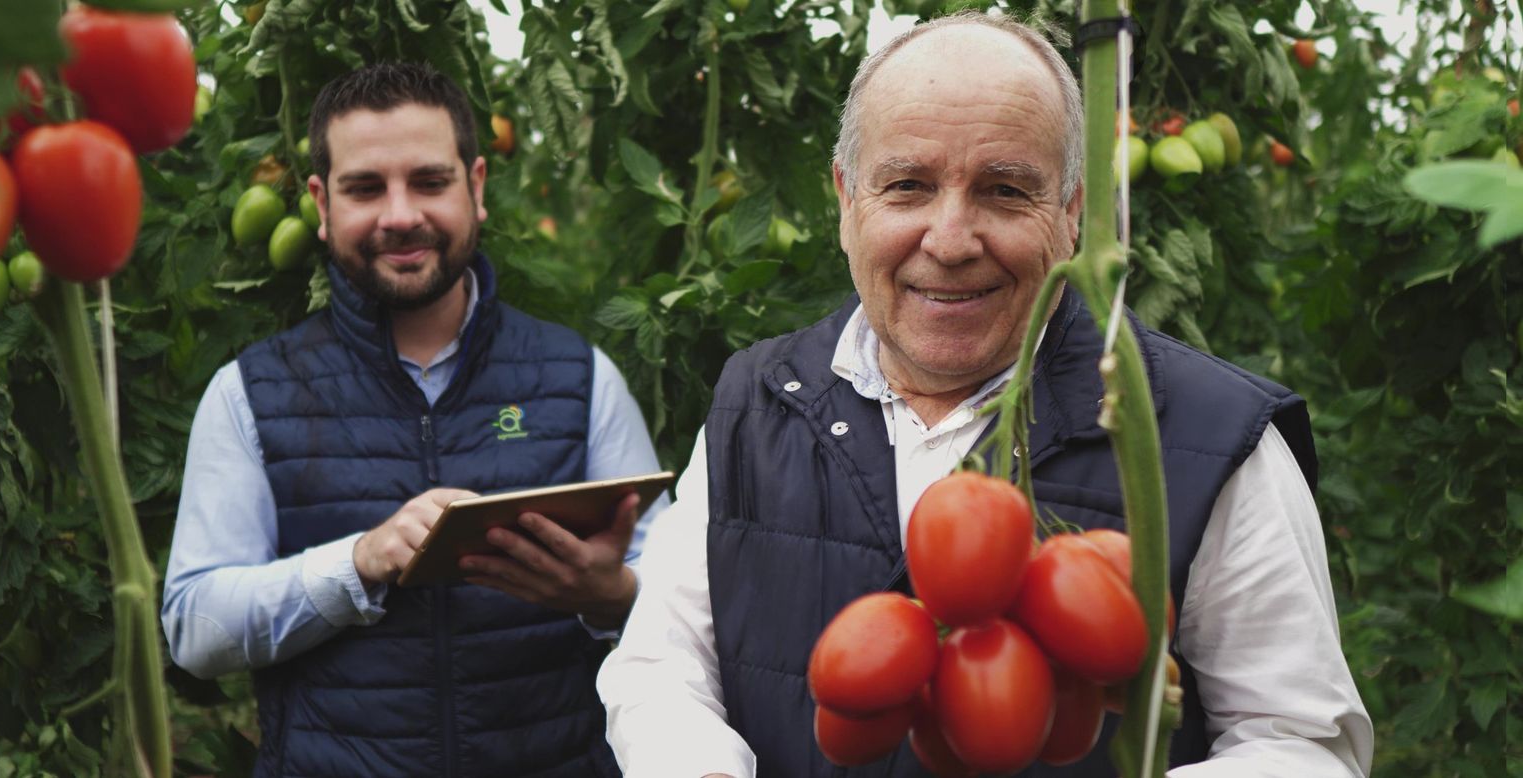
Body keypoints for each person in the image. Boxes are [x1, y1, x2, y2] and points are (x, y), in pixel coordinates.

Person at [597, 12, 1372, 778]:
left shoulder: (1215, 434)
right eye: (907, 186)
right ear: (846, 200)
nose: (950, 240)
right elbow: (661, 664)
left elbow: (1301, 741)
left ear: (1072, 212)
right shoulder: (757, 399)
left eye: (1005, 191)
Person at [161, 62, 666, 778]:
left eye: (429, 182)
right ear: (322, 203)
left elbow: (680, 607)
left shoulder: (579, 379)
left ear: (476, 188)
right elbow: (195, 629)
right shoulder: (250, 393)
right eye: (366, 188)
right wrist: (358, 562)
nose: (400, 215)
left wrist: (611, 596)